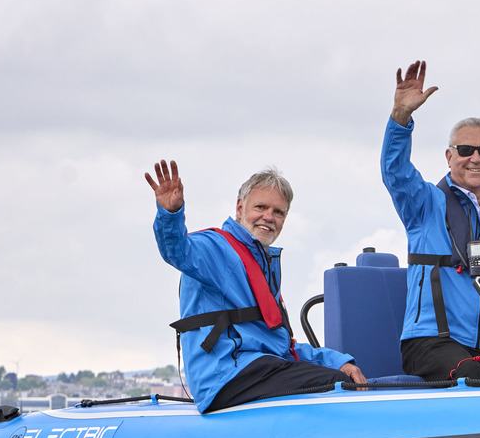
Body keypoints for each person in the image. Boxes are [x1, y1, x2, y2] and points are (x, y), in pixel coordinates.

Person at [146, 160, 365, 412]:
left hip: (260, 367)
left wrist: (337, 362)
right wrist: (170, 215)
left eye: (278, 212)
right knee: (335, 385)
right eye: (260, 207)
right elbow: (177, 251)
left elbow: (283, 348)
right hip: (226, 375)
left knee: (343, 377)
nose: (268, 217)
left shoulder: (264, 266)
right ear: (240, 209)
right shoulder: (214, 248)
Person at [382, 60, 480, 381]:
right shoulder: (423, 204)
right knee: (473, 375)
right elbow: (395, 172)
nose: (475, 157)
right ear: (449, 156)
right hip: (431, 342)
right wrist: (400, 118)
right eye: (465, 149)